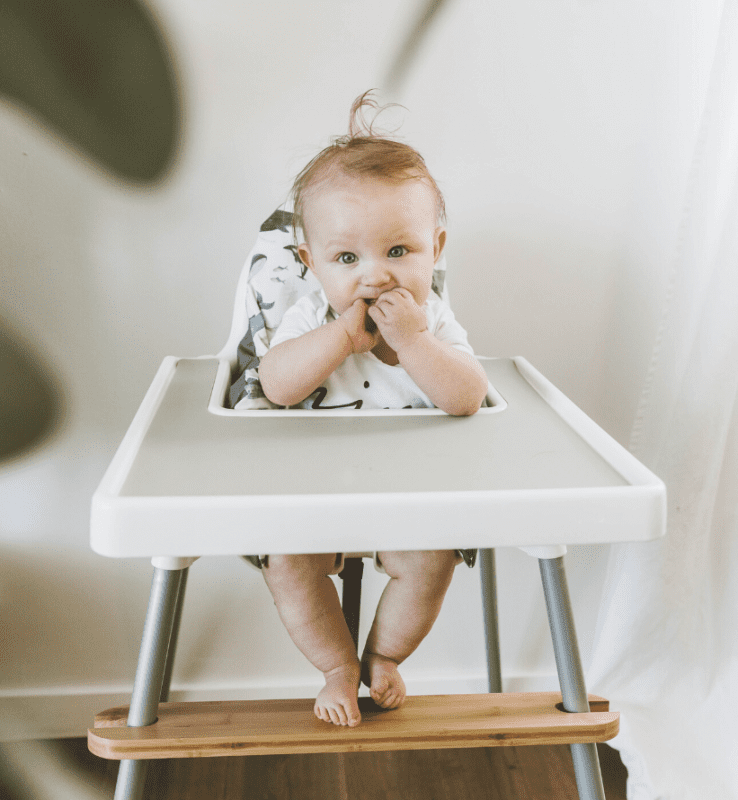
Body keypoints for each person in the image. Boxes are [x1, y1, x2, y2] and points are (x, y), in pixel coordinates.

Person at [258, 91, 488, 727]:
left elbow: (467, 395)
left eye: (398, 251)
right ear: (312, 264)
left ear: (434, 249)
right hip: (312, 493)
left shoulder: (432, 320)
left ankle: (385, 656)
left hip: (410, 495)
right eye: (347, 258)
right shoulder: (310, 316)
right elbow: (276, 385)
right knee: (288, 565)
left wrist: (412, 341)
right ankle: (336, 664)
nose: (375, 277)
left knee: (431, 560)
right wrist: (337, 341)